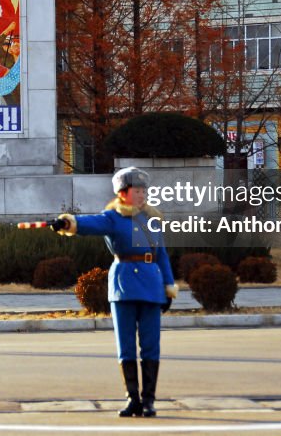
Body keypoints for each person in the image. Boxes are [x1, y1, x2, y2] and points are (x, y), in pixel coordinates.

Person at [52, 167, 177, 418]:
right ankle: (133, 399)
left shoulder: (153, 220)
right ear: (122, 193)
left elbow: (162, 255)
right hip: (124, 285)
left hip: (152, 286)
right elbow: (89, 223)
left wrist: (168, 287)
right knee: (126, 345)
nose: (142, 195)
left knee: (151, 345)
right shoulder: (112, 217)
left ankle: (149, 400)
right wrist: (69, 222)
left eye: (144, 191)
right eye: (137, 191)